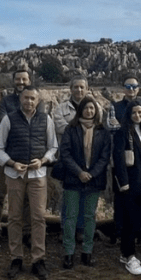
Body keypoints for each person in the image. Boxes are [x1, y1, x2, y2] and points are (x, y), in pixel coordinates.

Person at [0, 86, 58, 280]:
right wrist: (12, 163)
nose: (29, 102)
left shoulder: (46, 119)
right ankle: (16, 258)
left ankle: (39, 259)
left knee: (38, 217)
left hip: (38, 174)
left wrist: (43, 160)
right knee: (14, 217)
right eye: (26, 98)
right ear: (20, 99)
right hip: (14, 175)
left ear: (38, 101)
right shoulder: (8, 119)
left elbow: (53, 147)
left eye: (33, 99)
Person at [58, 96, 112, 269]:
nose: (89, 111)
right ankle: (69, 252)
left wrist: (91, 173)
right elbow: (65, 153)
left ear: (96, 111)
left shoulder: (102, 131)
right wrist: (79, 172)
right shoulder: (71, 129)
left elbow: (105, 157)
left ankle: (87, 252)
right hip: (73, 179)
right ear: (80, 110)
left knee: (89, 216)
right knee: (71, 216)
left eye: (92, 108)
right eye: (86, 108)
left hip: (94, 180)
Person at [0, 68, 34, 250]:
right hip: (6, 155)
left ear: (29, 80)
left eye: (24, 79)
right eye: (18, 79)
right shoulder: (6, 101)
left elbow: (37, 123)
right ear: (14, 81)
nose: (21, 82)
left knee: (27, 196)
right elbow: (3, 124)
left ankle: (27, 232)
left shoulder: (37, 99)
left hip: (27, 155)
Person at [112, 99, 141, 275]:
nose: (137, 115)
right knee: (128, 220)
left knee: (137, 218)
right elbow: (119, 159)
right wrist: (124, 183)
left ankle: (126, 253)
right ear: (129, 114)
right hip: (129, 183)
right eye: (134, 112)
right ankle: (129, 256)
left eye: (140, 113)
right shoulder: (122, 132)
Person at [51, 75, 90, 242]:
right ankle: (66, 229)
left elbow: (99, 128)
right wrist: (83, 126)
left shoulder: (94, 107)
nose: (79, 90)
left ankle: (80, 229)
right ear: (71, 89)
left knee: (84, 195)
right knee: (68, 196)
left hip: (88, 160)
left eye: (82, 87)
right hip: (67, 158)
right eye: (76, 87)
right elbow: (60, 127)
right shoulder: (60, 109)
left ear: (86, 89)